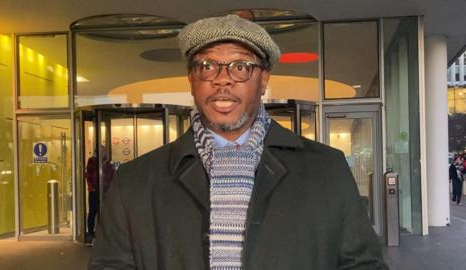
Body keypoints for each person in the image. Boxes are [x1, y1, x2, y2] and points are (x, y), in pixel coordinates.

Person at [89, 15, 388, 269]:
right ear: (191, 79)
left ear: (264, 79)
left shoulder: (326, 169)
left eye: (241, 67)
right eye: (207, 66)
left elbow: (363, 264)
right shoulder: (135, 182)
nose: (222, 79)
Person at [85, 146, 115, 244]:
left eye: (105, 151)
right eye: (102, 151)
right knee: (93, 213)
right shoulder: (92, 161)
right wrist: (92, 188)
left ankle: (104, 234)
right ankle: (90, 234)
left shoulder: (108, 164)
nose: (104, 153)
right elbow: (89, 176)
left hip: (105, 192)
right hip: (94, 192)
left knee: (104, 213)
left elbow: (112, 176)